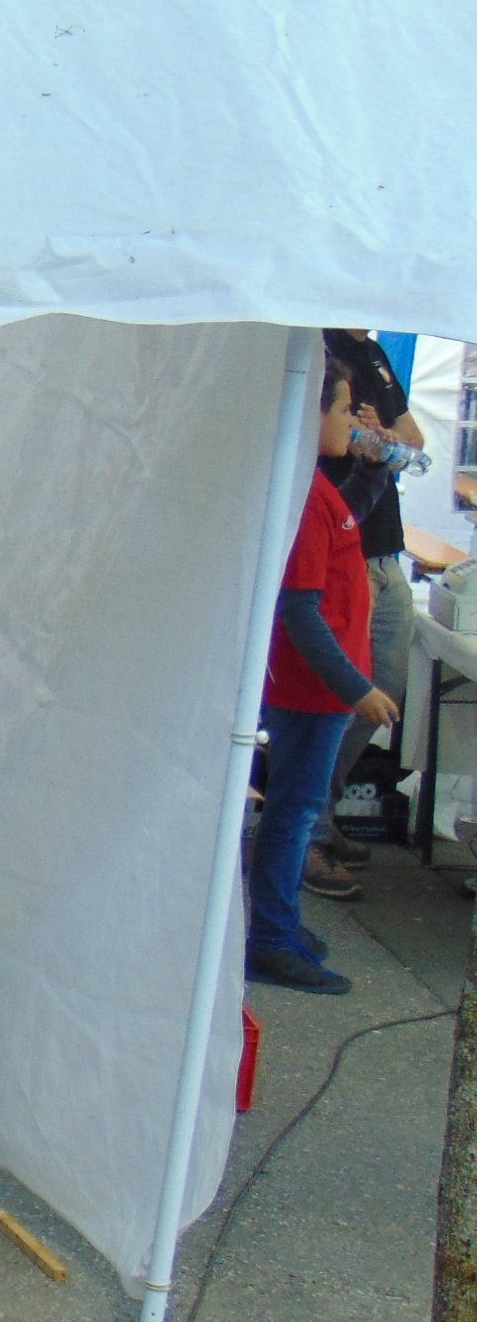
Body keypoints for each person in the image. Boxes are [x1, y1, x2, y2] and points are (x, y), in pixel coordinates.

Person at [248, 366, 399, 995]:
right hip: (313, 692)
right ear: (311, 414)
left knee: (299, 811)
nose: (348, 422)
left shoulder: (316, 490)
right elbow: (299, 610)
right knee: (294, 814)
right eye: (340, 411)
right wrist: (353, 687)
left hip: (320, 688)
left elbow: (348, 526)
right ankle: (274, 939)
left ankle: (280, 927)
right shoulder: (305, 496)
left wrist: (372, 470)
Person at [305, 329, 422, 901]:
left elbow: (413, 440)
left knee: (384, 694)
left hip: (383, 549)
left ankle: (317, 815)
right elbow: (358, 442)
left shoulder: (372, 352)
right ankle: (309, 831)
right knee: (343, 696)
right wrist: (369, 441)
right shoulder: (319, 344)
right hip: (342, 551)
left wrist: (377, 441)